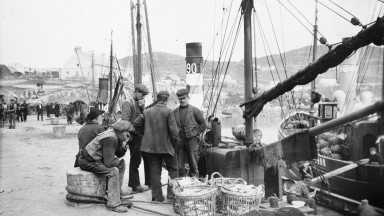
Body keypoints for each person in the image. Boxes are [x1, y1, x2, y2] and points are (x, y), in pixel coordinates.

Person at [77, 120, 135, 213]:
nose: (129, 135)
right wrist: (115, 161)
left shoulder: (116, 135)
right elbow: (109, 163)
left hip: (96, 159)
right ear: (120, 132)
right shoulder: (110, 138)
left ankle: (117, 193)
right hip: (87, 161)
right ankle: (113, 203)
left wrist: (124, 144)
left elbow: (118, 155)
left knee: (121, 163)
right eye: (127, 133)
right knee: (113, 171)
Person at [134, 91, 180, 201]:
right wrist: (175, 145)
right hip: (166, 146)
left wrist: (144, 135)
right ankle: (171, 196)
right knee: (173, 169)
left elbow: (136, 123)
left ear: (157, 99)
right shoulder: (168, 111)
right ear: (166, 100)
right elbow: (174, 132)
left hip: (151, 147)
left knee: (155, 171)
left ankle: (156, 197)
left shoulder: (147, 111)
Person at [121, 84, 150, 192]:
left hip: (143, 135)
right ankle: (135, 184)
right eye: (142, 95)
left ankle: (150, 181)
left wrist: (143, 108)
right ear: (136, 92)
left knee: (148, 158)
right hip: (135, 136)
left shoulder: (139, 103)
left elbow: (144, 117)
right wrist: (135, 132)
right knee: (136, 160)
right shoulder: (127, 103)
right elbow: (125, 121)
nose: (143, 97)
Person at [173, 88, 207, 177]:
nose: (182, 100)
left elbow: (203, 124)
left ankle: (194, 181)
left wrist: (196, 133)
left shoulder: (195, 110)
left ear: (188, 98)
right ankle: (182, 181)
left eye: (184, 98)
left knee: (193, 164)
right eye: (180, 99)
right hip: (179, 140)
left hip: (192, 140)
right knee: (179, 165)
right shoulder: (174, 112)